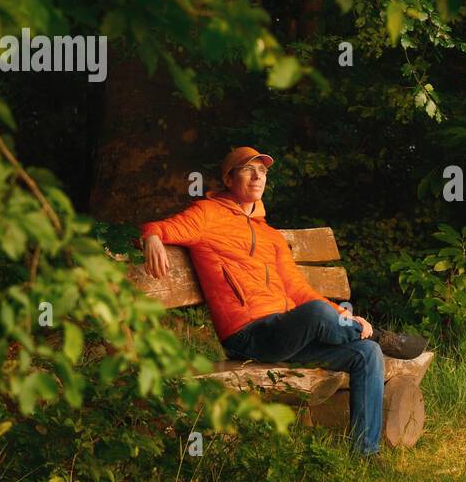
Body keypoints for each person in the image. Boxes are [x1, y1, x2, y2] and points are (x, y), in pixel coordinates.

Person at [138, 146, 426, 457]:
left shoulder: (270, 236)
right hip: (248, 336)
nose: (258, 175)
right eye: (249, 169)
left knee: (366, 353)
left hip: (285, 333)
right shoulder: (206, 215)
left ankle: (365, 454)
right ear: (229, 178)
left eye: (262, 171)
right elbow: (160, 227)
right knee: (329, 319)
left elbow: (299, 290)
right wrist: (152, 236)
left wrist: (343, 314)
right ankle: (383, 336)